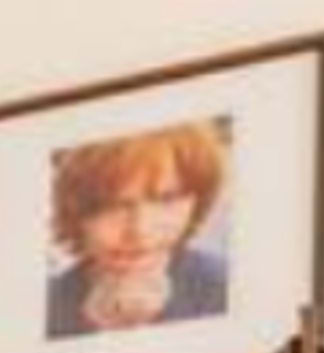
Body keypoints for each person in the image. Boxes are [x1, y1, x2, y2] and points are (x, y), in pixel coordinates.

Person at [45, 117, 231, 337]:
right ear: (76, 212)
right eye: (113, 205)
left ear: (198, 201)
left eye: (167, 200)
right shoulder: (46, 307)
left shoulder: (225, 287)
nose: (141, 231)